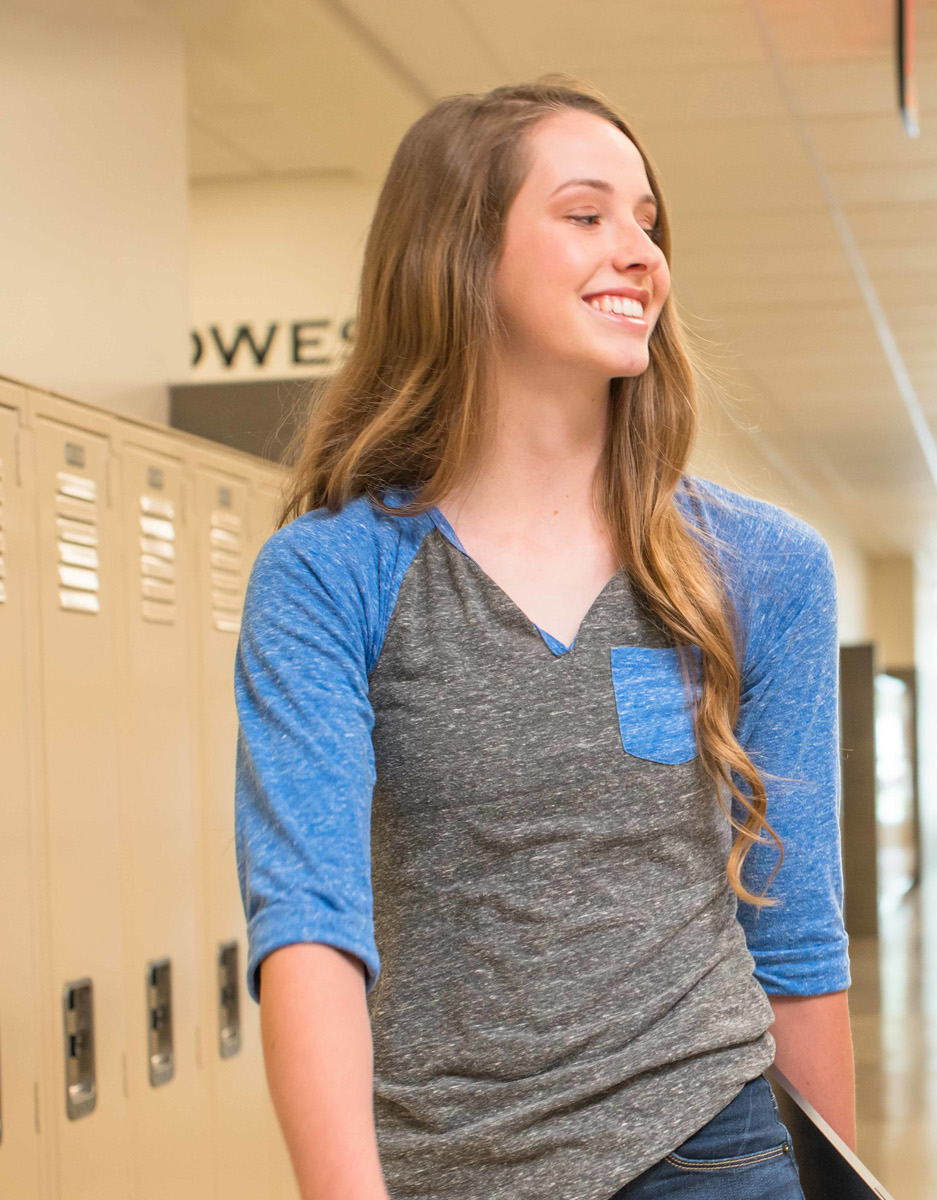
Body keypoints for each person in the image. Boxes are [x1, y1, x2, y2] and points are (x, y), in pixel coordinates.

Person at [234, 79, 851, 1200]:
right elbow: (309, 934)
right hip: (445, 1164)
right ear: (462, 256)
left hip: (713, 1146)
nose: (639, 253)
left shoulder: (761, 567)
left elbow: (798, 937)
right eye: (586, 215)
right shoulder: (333, 577)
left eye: (648, 222)